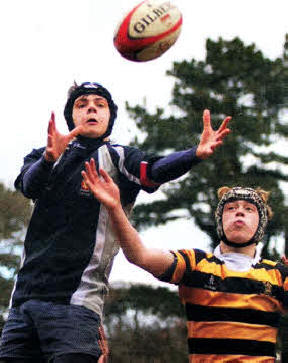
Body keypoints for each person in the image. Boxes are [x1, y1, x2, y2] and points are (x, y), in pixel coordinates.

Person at [0, 81, 231, 363]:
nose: (91, 109)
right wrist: (49, 157)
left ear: (110, 117)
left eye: (100, 104)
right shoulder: (45, 156)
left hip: (76, 303)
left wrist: (193, 154)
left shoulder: (120, 157)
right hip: (22, 303)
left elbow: (154, 170)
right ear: (70, 116)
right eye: (82, 104)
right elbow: (28, 185)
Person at [81, 161, 288, 362]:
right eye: (231, 208)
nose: (239, 211)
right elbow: (140, 256)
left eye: (249, 209)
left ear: (261, 224)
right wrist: (116, 208)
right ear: (220, 221)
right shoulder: (195, 263)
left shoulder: (278, 274)